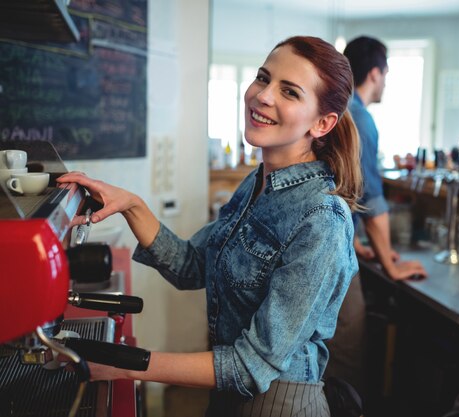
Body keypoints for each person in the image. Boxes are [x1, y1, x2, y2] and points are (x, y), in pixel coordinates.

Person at [58, 35, 362, 417]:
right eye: (263, 78)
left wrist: (125, 363)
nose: (263, 96)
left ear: (323, 122)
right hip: (227, 398)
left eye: (289, 91)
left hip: (278, 405)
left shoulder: (322, 219)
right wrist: (132, 205)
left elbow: (250, 368)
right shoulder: (258, 183)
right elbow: (191, 266)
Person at [324, 35, 426, 405]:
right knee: (346, 356)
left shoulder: (337, 109)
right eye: (386, 74)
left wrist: (355, 242)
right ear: (374, 73)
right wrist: (390, 265)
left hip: (334, 243)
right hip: (332, 258)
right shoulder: (361, 119)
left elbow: (337, 186)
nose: (385, 82)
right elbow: (371, 197)